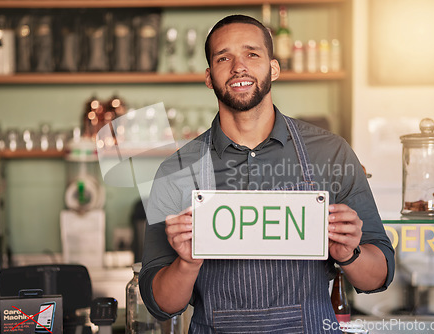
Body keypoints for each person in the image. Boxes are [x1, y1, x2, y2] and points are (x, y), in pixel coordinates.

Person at [139, 14, 395, 333]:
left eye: (252, 54)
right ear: (209, 76)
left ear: (273, 68)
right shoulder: (176, 171)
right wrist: (187, 263)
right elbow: (160, 304)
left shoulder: (331, 153)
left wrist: (350, 253)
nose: (238, 67)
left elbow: (380, 276)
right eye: (223, 57)